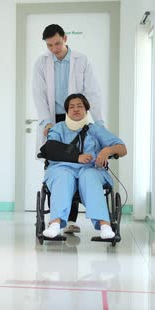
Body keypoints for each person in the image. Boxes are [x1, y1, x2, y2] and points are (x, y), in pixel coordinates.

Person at [32, 24, 104, 233]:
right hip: (54, 120)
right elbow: (39, 94)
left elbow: (93, 92)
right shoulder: (41, 63)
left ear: (65, 38)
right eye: (49, 45)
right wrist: (46, 122)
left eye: (57, 43)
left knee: (76, 164)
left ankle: (70, 221)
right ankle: (56, 218)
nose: (53, 49)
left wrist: (97, 123)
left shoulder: (82, 60)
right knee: (57, 166)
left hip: (78, 116)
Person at [41, 94, 127, 240]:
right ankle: (55, 224)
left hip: (90, 169)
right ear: (66, 111)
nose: (75, 109)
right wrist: (76, 157)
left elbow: (122, 149)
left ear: (86, 110)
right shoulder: (58, 128)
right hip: (62, 168)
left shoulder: (95, 129)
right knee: (63, 176)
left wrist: (107, 150)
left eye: (79, 106)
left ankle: (105, 226)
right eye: (71, 107)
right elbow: (49, 149)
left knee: (89, 176)